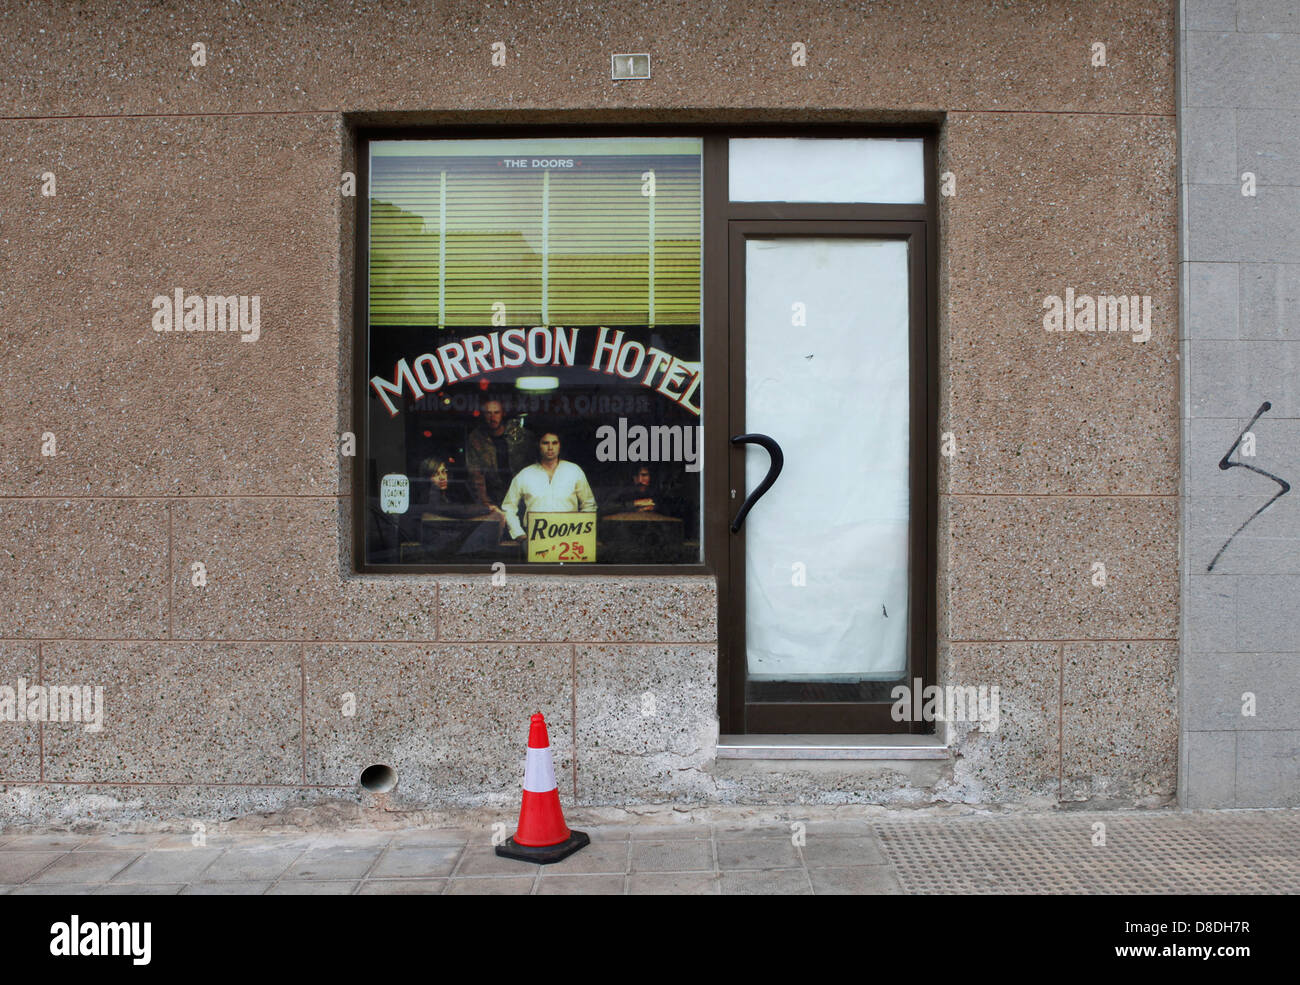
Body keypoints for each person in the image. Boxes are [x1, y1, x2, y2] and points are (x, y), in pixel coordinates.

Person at [501, 433, 597, 542]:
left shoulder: (574, 471)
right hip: (534, 537)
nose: (550, 447)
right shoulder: (525, 474)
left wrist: (582, 531)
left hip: (569, 536)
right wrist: (519, 534)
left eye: (554, 443)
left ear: (560, 446)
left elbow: (589, 504)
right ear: (538, 445)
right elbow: (508, 507)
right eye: (545, 443)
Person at [466, 399, 534, 509]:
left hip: (523, 495)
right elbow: (476, 474)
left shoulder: (520, 435)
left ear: (503, 414)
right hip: (494, 497)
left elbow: (534, 464)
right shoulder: (476, 438)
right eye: (488, 413)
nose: (492, 418)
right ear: (483, 415)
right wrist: (486, 503)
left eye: (496, 412)